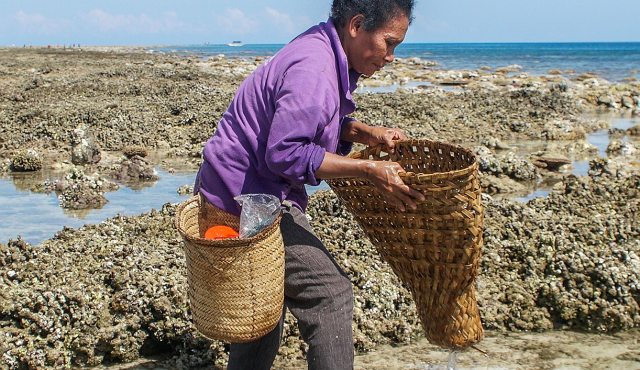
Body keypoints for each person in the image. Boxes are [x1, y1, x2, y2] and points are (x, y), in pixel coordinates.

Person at [195, 0, 421, 368]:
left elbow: (308, 121)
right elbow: (285, 152)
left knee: (264, 310)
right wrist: (367, 170)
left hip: (230, 187)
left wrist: (365, 133)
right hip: (243, 201)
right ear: (357, 24)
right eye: (389, 43)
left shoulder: (322, 48)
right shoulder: (314, 67)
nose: (391, 57)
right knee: (330, 294)